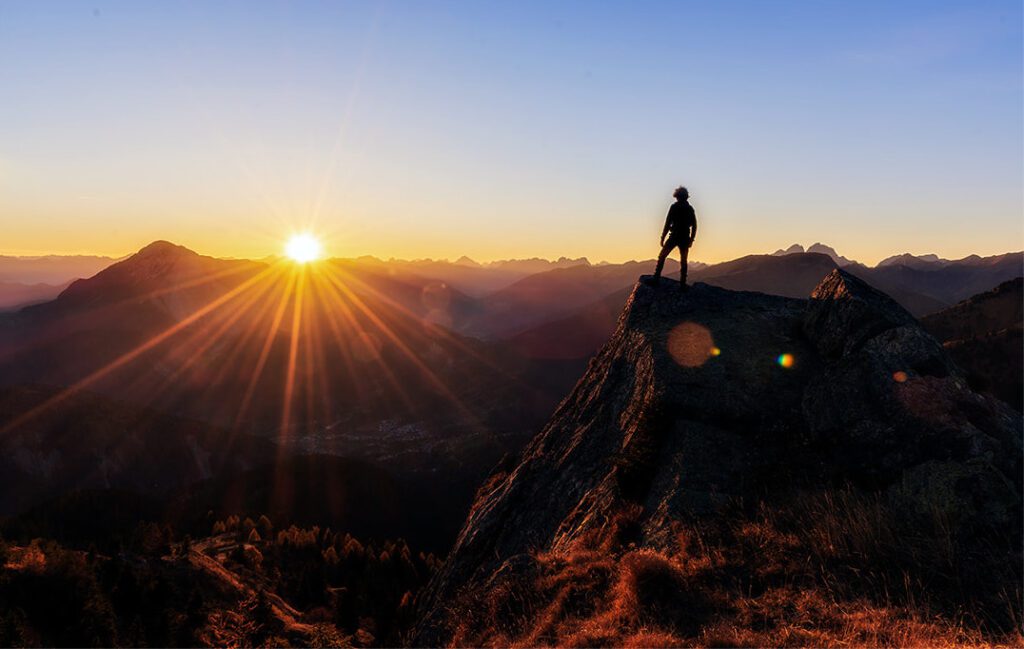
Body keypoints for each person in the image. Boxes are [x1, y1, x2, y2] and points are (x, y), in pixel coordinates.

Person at [652, 186, 697, 287]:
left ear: (677, 197)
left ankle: (656, 278)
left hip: (674, 236)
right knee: (683, 260)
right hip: (685, 237)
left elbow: (667, 223)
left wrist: (662, 237)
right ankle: (682, 283)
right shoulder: (689, 209)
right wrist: (691, 239)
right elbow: (694, 226)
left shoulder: (674, 207)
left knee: (662, 256)